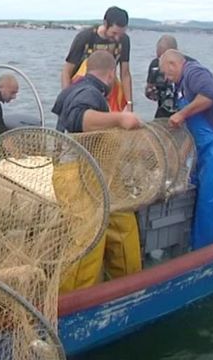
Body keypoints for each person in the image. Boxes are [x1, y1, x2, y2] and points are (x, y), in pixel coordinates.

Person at [52, 50, 142, 293]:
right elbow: (79, 118)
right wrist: (119, 119)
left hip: (88, 171)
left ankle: (126, 285)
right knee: (89, 236)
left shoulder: (73, 87)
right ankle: (72, 301)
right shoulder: (88, 93)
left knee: (121, 220)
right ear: (111, 75)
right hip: (72, 173)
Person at [159, 49, 213, 249]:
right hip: (205, 148)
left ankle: (206, 253)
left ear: (174, 64)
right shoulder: (180, 85)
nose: (166, 77)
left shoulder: (195, 72)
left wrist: (182, 114)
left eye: (166, 72)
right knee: (192, 189)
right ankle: (188, 241)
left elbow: (209, 96)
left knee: (210, 198)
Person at [60, 6, 133, 112]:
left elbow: (125, 74)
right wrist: (67, 99)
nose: (117, 38)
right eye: (114, 33)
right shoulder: (85, 37)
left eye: (121, 34)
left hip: (109, 88)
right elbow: (66, 71)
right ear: (105, 24)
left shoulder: (124, 40)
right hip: (82, 88)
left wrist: (129, 103)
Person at [144, 35, 179, 118]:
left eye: (165, 58)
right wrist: (151, 91)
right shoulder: (155, 65)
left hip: (182, 112)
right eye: (159, 57)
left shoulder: (186, 67)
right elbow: (149, 88)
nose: (161, 61)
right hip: (163, 110)